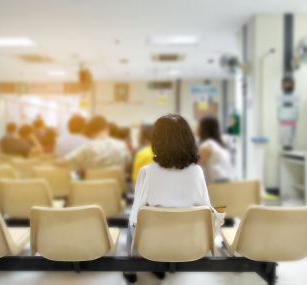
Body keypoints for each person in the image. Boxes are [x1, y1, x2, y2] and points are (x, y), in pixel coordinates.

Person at [124, 114, 211, 283]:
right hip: (190, 243)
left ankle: (131, 268)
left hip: (154, 243)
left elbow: (135, 219)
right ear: (188, 139)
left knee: (131, 220)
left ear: (157, 141)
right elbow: (207, 209)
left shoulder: (147, 172)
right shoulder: (197, 171)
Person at [59, 115, 130, 171]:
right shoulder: (121, 145)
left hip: (93, 188)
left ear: (91, 132)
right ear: (107, 128)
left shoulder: (86, 147)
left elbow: (62, 162)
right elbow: (128, 166)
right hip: (117, 188)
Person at [197, 115, 234, 185]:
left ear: (204, 129)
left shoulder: (206, 147)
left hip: (216, 190)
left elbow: (195, 171)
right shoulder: (221, 146)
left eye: (199, 125)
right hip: (228, 189)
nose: (196, 128)